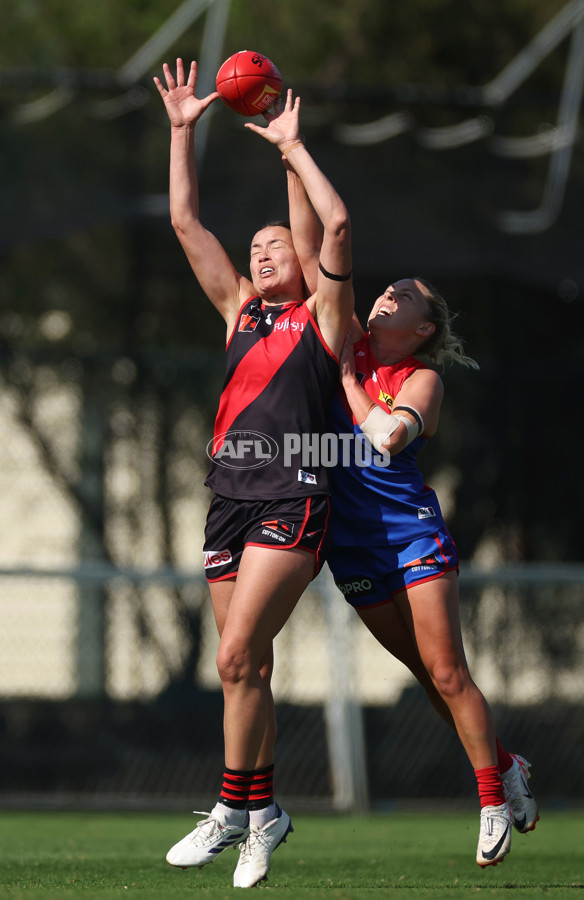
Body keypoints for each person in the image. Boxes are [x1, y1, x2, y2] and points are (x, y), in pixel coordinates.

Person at [153, 59, 353, 888]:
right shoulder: (239, 307)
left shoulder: (324, 316)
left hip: (295, 495)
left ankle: (235, 810)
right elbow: (185, 221)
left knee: (236, 658)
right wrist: (181, 131)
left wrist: (293, 150)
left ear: (299, 264)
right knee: (250, 669)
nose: (265, 249)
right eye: (257, 245)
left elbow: (332, 228)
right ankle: (265, 812)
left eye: (278, 243)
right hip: (229, 499)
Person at [326, 284, 539, 867]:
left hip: (411, 537)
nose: (390, 292)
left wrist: (346, 385)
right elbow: (327, 244)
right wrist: (297, 185)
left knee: (448, 672)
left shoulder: (423, 378)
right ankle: (504, 762)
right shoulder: (346, 335)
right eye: (390, 287)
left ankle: (492, 800)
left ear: (423, 328)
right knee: (425, 672)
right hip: (352, 548)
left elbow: (388, 438)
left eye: (408, 296)